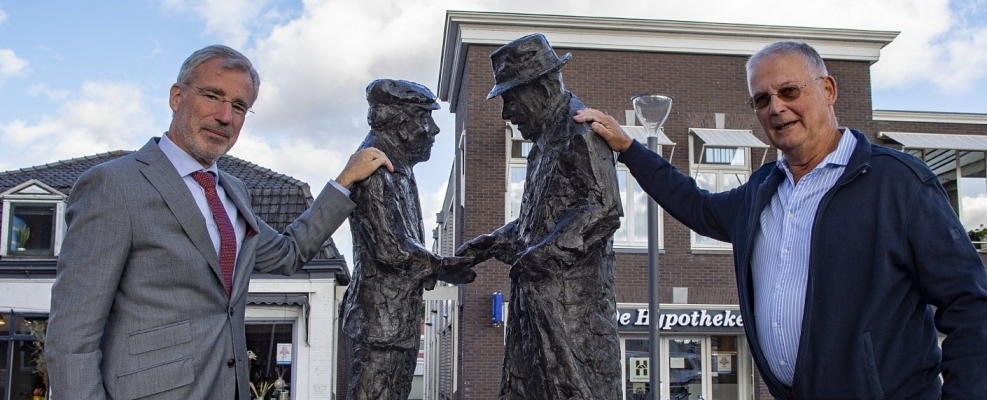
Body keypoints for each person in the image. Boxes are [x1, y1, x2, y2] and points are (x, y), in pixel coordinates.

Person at [574, 40, 987, 399]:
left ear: (829, 89)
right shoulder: (763, 189)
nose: (776, 108)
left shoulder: (900, 185)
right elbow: (697, 206)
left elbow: (970, 306)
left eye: (790, 91)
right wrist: (629, 148)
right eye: (762, 99)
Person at [45, 44, 393, 400]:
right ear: (177, 97)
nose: (226, 116)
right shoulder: (114, 185)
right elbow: (72, 340)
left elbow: (288, 253)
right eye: (213, 95)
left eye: (239, 106)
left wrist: (345, 180)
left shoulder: (233, 192)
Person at [456, 33, 624, 400]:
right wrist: (487, 245)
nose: (506, 113)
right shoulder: (542, 146)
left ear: (543, 89)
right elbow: (536, 225)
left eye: (511, 99)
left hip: (570, 321)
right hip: (535, 311)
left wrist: (544, 254)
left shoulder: (580, 133)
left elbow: (603, 208)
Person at [341, 79, 476, 399]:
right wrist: (445, 266)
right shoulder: (375, 168)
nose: (434, 130)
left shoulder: (395, 166)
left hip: (392, 322)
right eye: (425, 118)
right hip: (381, 324)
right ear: (400, 122)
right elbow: (392, 248)